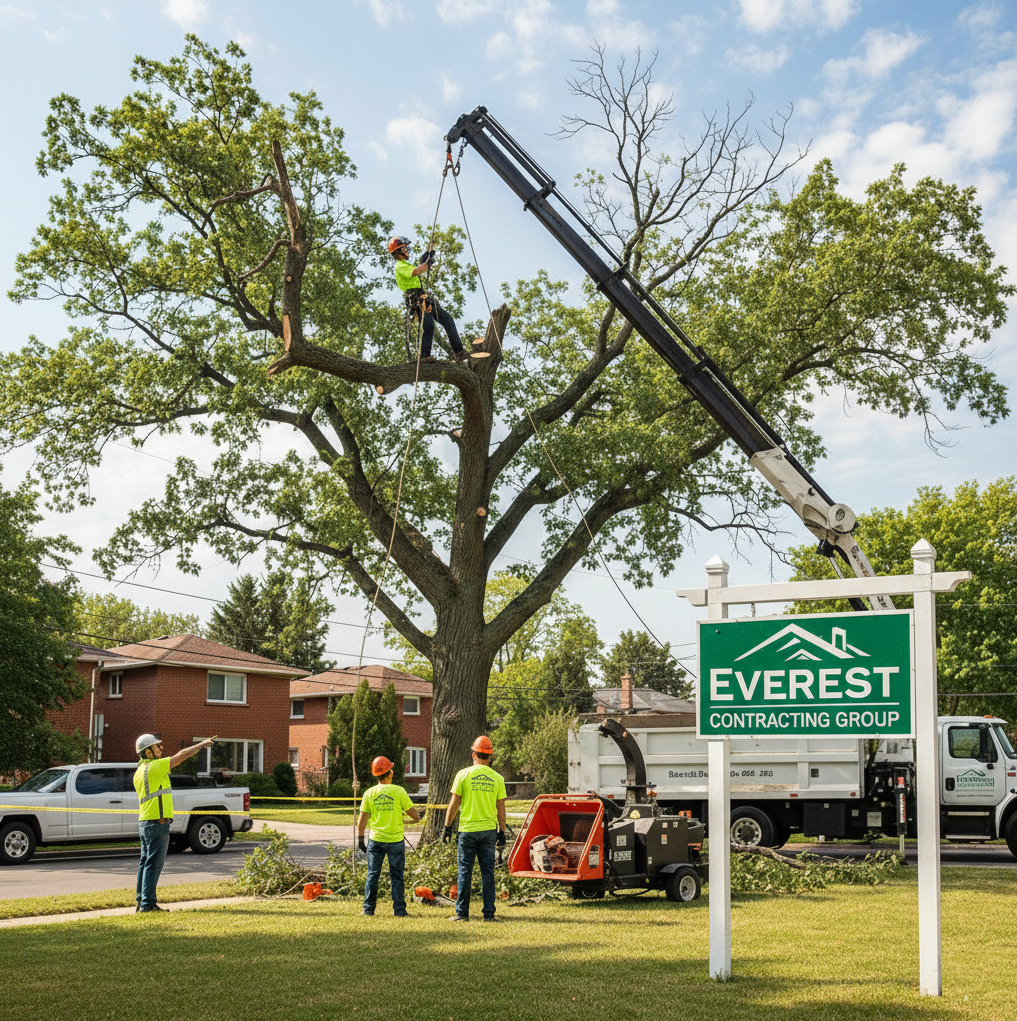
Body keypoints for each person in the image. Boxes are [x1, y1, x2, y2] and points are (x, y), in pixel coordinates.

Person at [133, 733, 216, 913]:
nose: (161, 748)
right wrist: (201, 745)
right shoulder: (156, 766)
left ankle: (141, 902)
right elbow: (181, 755)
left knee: (145, 862)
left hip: (146, 822)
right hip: (157, 822)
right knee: (154, 863)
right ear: (148, 752)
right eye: (157, 747)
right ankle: (147, 904)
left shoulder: (139, 771)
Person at [443, 734, 507, 922]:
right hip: (488, 831)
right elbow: (501, 808)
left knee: (465, 871)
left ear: (474, 754)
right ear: (490, 756)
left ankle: (462, 914)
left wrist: (447, 827)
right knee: (488, 873)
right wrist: (501, 831)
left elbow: (454, 803)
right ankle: (489, 914)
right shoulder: (497, 778)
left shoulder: (463, 775)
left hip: (467, 830)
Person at [357, 755, 420, 917]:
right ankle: (399, 910)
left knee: (372, 875)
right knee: (397, 876)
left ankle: (368, 909)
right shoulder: (399, 791)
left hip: (375, 840)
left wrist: (360, 839)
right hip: (395, 841)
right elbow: (413, 814)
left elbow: (362, 819)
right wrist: (415, 818)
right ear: (390, 773)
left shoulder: (369, 793)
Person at [388, 235, 466, 363]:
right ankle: (424, 357)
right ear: (399, 251)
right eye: (405, 248)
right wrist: (427, 263)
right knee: (428, 325)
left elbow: (417, 270)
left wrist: (424, 260)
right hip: (415, 299)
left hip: (422, 296)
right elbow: (416, 272)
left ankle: (459, 352)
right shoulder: (399, 266)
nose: (407, 250)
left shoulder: (406, 265)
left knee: (447, 319)